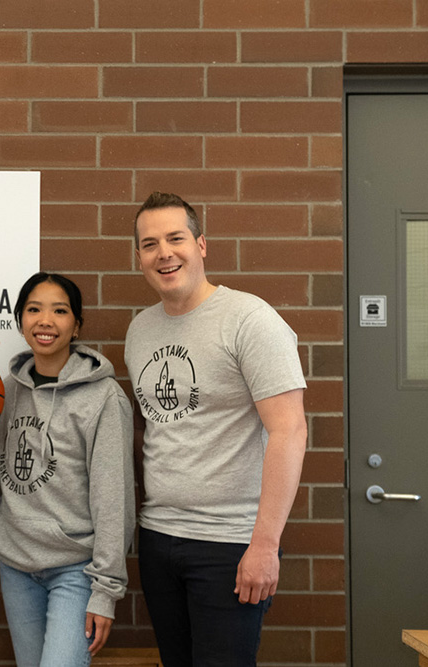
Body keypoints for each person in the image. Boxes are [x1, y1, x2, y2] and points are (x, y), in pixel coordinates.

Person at [124, 192, 308, 667]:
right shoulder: (140, 329)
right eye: (149, 244)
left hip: (230, 543)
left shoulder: (250, 320)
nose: (164, 253)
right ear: (139, 257)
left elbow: (289, 432)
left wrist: (265, 545)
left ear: (201, 245)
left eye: (175, 238)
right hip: (159, 537)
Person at [0, 272, 135, 667]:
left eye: (59, 310)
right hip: (16, 562)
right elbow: (9, 482)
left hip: (76, 568)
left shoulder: (103, 398)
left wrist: (106, 590)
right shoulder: (6, 390)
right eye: (34, 309)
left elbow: (113, 500)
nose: (45, 320)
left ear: (77, 324)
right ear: (20, 320)